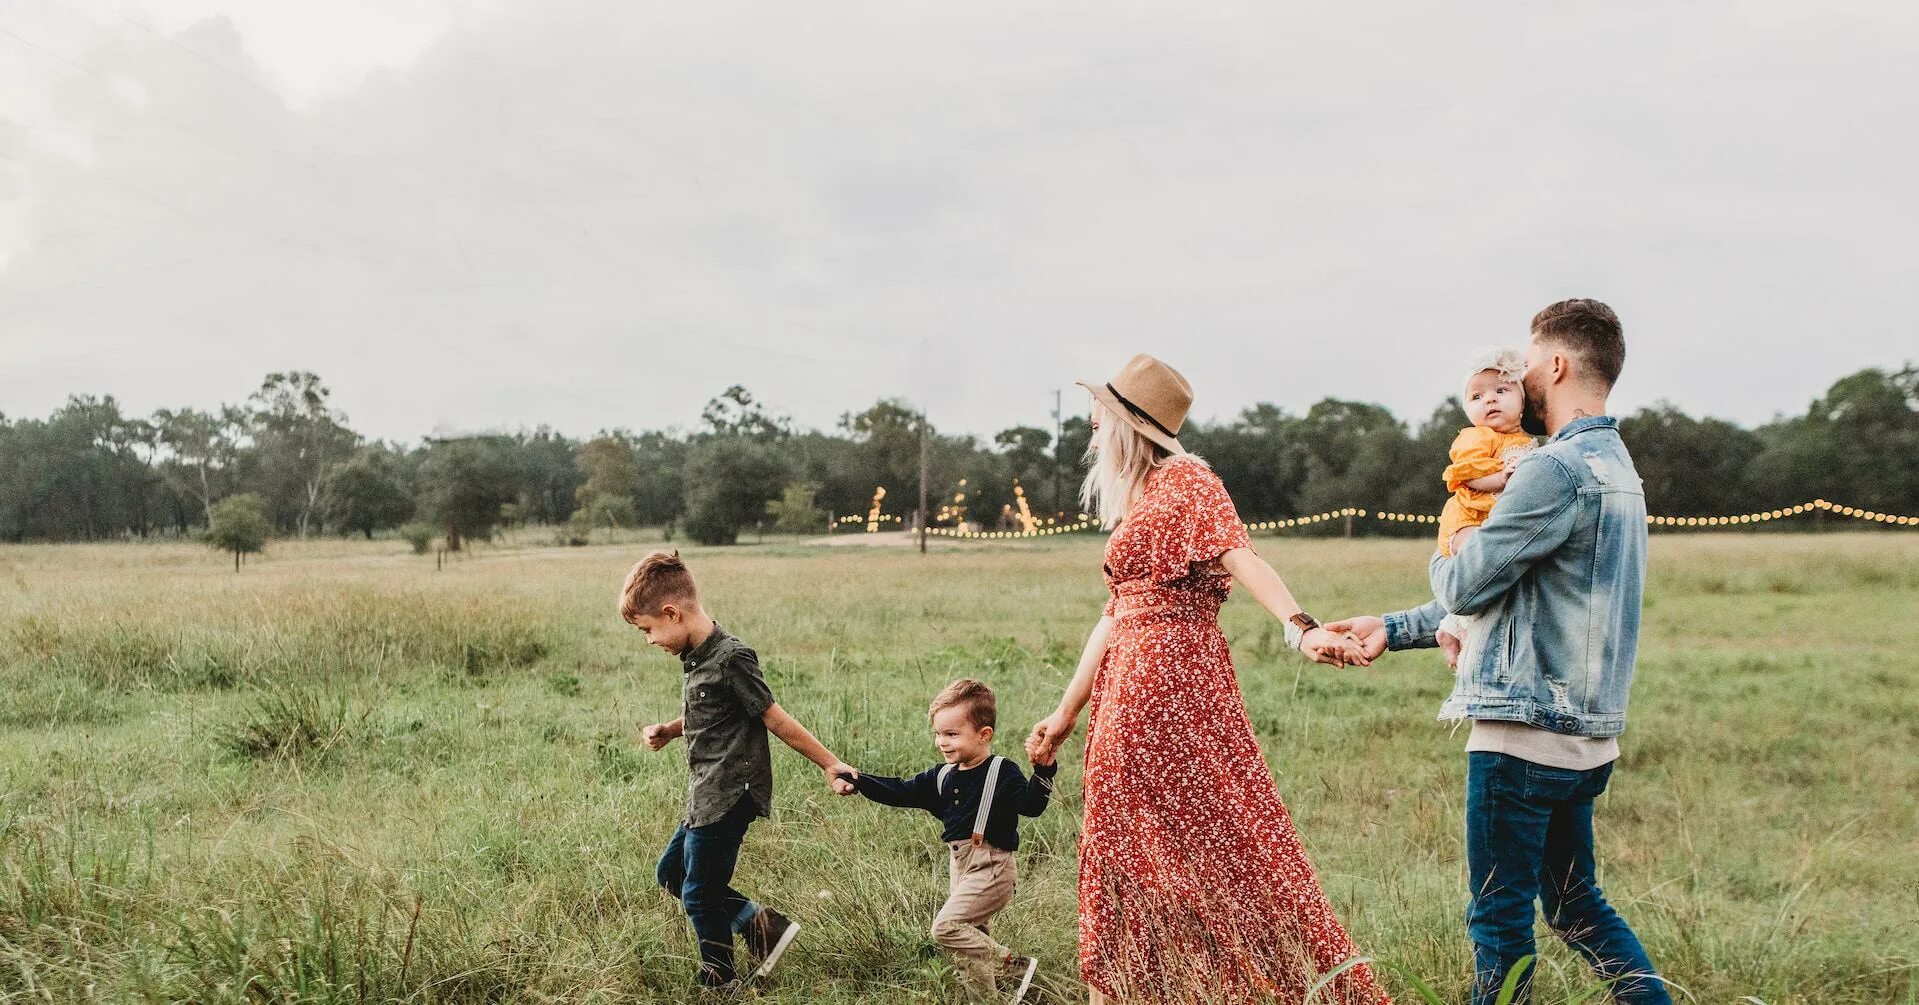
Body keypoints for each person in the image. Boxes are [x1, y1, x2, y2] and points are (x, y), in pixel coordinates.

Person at [1328, 300, 1673, 1005]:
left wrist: (1446, 539)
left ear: (1555, 365)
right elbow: (1513, 591)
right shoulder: (1617, 468)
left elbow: (1465, 579)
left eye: (1525, 366)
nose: (1516, 384)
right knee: (1577, 907)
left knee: (1498, 919)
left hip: (1520, 736)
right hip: (1586, 738)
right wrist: (1393, 628)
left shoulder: (1551, 471)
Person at [1024, 354, 1390, 1005]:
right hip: (1123, 696)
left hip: (1174, 691)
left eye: (1098, 414)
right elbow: (1114, 613)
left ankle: (1233, 986)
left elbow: (1240, 554)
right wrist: (1064, 712)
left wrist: (1299, 626)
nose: (1089, 425)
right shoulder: (1141, 498)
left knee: (1214, 846)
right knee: (1129, 853)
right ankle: (1144, 990)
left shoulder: (1186, 480)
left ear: (1126, 423)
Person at [623, 550, 860, 993]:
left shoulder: (732, 657)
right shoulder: (697, 658)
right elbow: (716, 713)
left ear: (672, 613)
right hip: (705, 792)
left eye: (648, 629)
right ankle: (763, 927)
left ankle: (720, 979)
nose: (649, 640)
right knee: (672, 874)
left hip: (731, 792)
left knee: (699, 891)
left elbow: (773, 717)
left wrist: (831, 763)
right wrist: (672, 730)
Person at [841, 678, 1055, 1003]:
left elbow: (1033, 806)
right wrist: (858, 781)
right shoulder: (942, 776)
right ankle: (984, 999)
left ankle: (1013, 966)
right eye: (938, 733)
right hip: (961, 866)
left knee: (946, 928)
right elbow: (900, 790)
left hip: (993, 868)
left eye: (952, 734)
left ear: (984, 735)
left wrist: (1044, 771)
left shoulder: (1001, 771)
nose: (942, 742)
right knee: (970, 944)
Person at [1433, 344, 1537, 677]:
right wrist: (1501, 478)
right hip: (1467, 519)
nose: (1489, 400)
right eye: (1477, 397)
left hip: (1492, 518)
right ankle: (1455, 628)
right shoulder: (1476, 437)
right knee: (1481, 562)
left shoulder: (1526, 441)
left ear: (1522, 400)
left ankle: (1451, 626)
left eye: (1501, 391)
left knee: (1493, 575)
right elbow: (1467, 474)